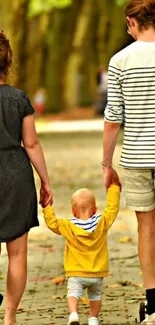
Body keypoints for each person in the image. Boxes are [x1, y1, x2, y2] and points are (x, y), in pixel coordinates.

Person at [103, 0, 155, 323]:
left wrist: (106, 163)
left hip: (136, 157)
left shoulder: (119, 61)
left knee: (146, 227)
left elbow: (113, 118)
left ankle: (153, 304)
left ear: (132, 22)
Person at [0, 31, 53, 325]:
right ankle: (9, 318)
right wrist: (45, 182)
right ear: (8, 63)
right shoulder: (19, 98)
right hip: (16, 175)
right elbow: (31, 143)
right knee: (17, 254)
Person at [42, 183, 120, 325]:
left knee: (73, 294)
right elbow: (112, 209)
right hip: (97, 273)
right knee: (95, 295)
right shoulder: (102, 222)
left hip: (76, 272)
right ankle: (93, 318)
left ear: (73, 211)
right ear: (95, 209)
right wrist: (114, 188)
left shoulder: (68, 225)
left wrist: (47, 206)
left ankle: (73, 314)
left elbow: (52, 223)